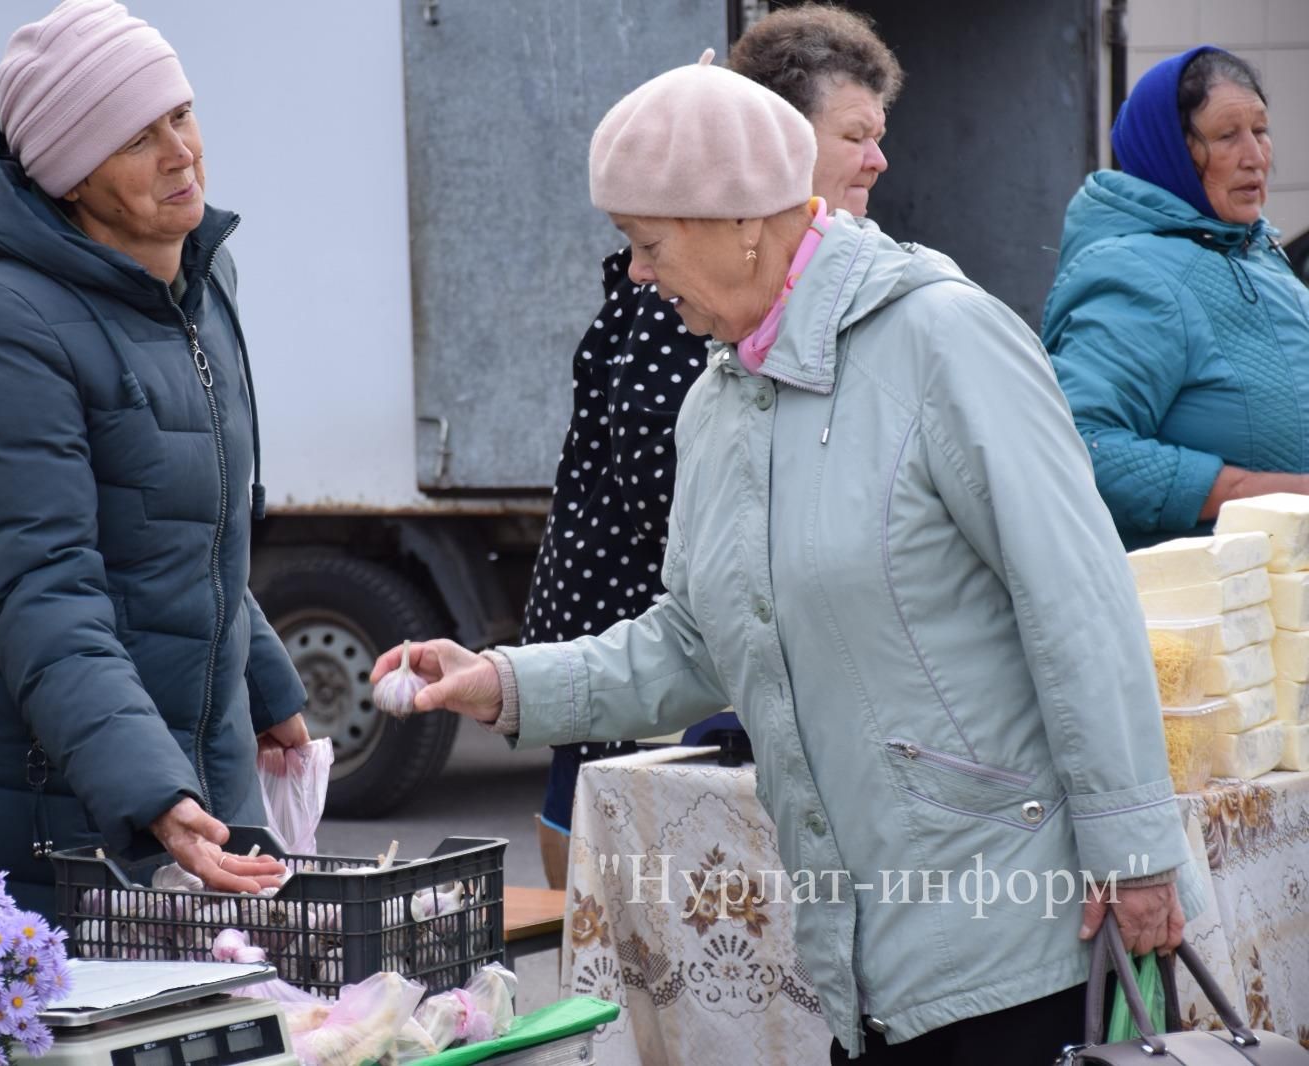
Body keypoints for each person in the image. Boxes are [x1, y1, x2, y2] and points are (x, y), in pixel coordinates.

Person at [376, 51, 1203, 1063]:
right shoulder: (717, 400)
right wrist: (500, 681)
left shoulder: (941, 341)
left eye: (646, 241)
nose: (636, 271)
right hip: (866, 965)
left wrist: (1135, 853)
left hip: (1026, 936)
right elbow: (693, 638)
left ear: (742, 222)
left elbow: (1077, 600)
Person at [0, 0, 308, 915]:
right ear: (69, 176)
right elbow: (42, 584)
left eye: (180, 114)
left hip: (189, 794)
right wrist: (153, 791)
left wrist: (268, 685)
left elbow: (195, 522)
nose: (180, 152)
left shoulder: (195, 276)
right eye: (136, 138)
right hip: (23, 821)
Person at [526, 3, 902, 891]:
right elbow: (701, 516)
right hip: (638, 674)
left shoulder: (899, 309)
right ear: (769, 148)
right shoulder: (689, 300)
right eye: (856, 135)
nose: (879, 159)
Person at [1043, 47, 1309, 550]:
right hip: (1204, 605)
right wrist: (1262, 493)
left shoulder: (1252, 248)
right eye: (1227, 136)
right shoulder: (1132, 275)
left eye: (1261, 130)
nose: (1255, 156)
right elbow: (1081, 444)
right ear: (1170, 149)